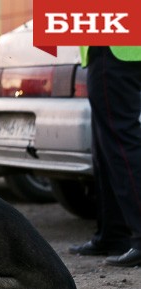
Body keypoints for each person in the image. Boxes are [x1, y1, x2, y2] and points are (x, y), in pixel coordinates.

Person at [69, 46, 141, 267]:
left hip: (114, 45)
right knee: (106, 145)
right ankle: (113, 234)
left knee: (121, 143)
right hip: (117, 44)